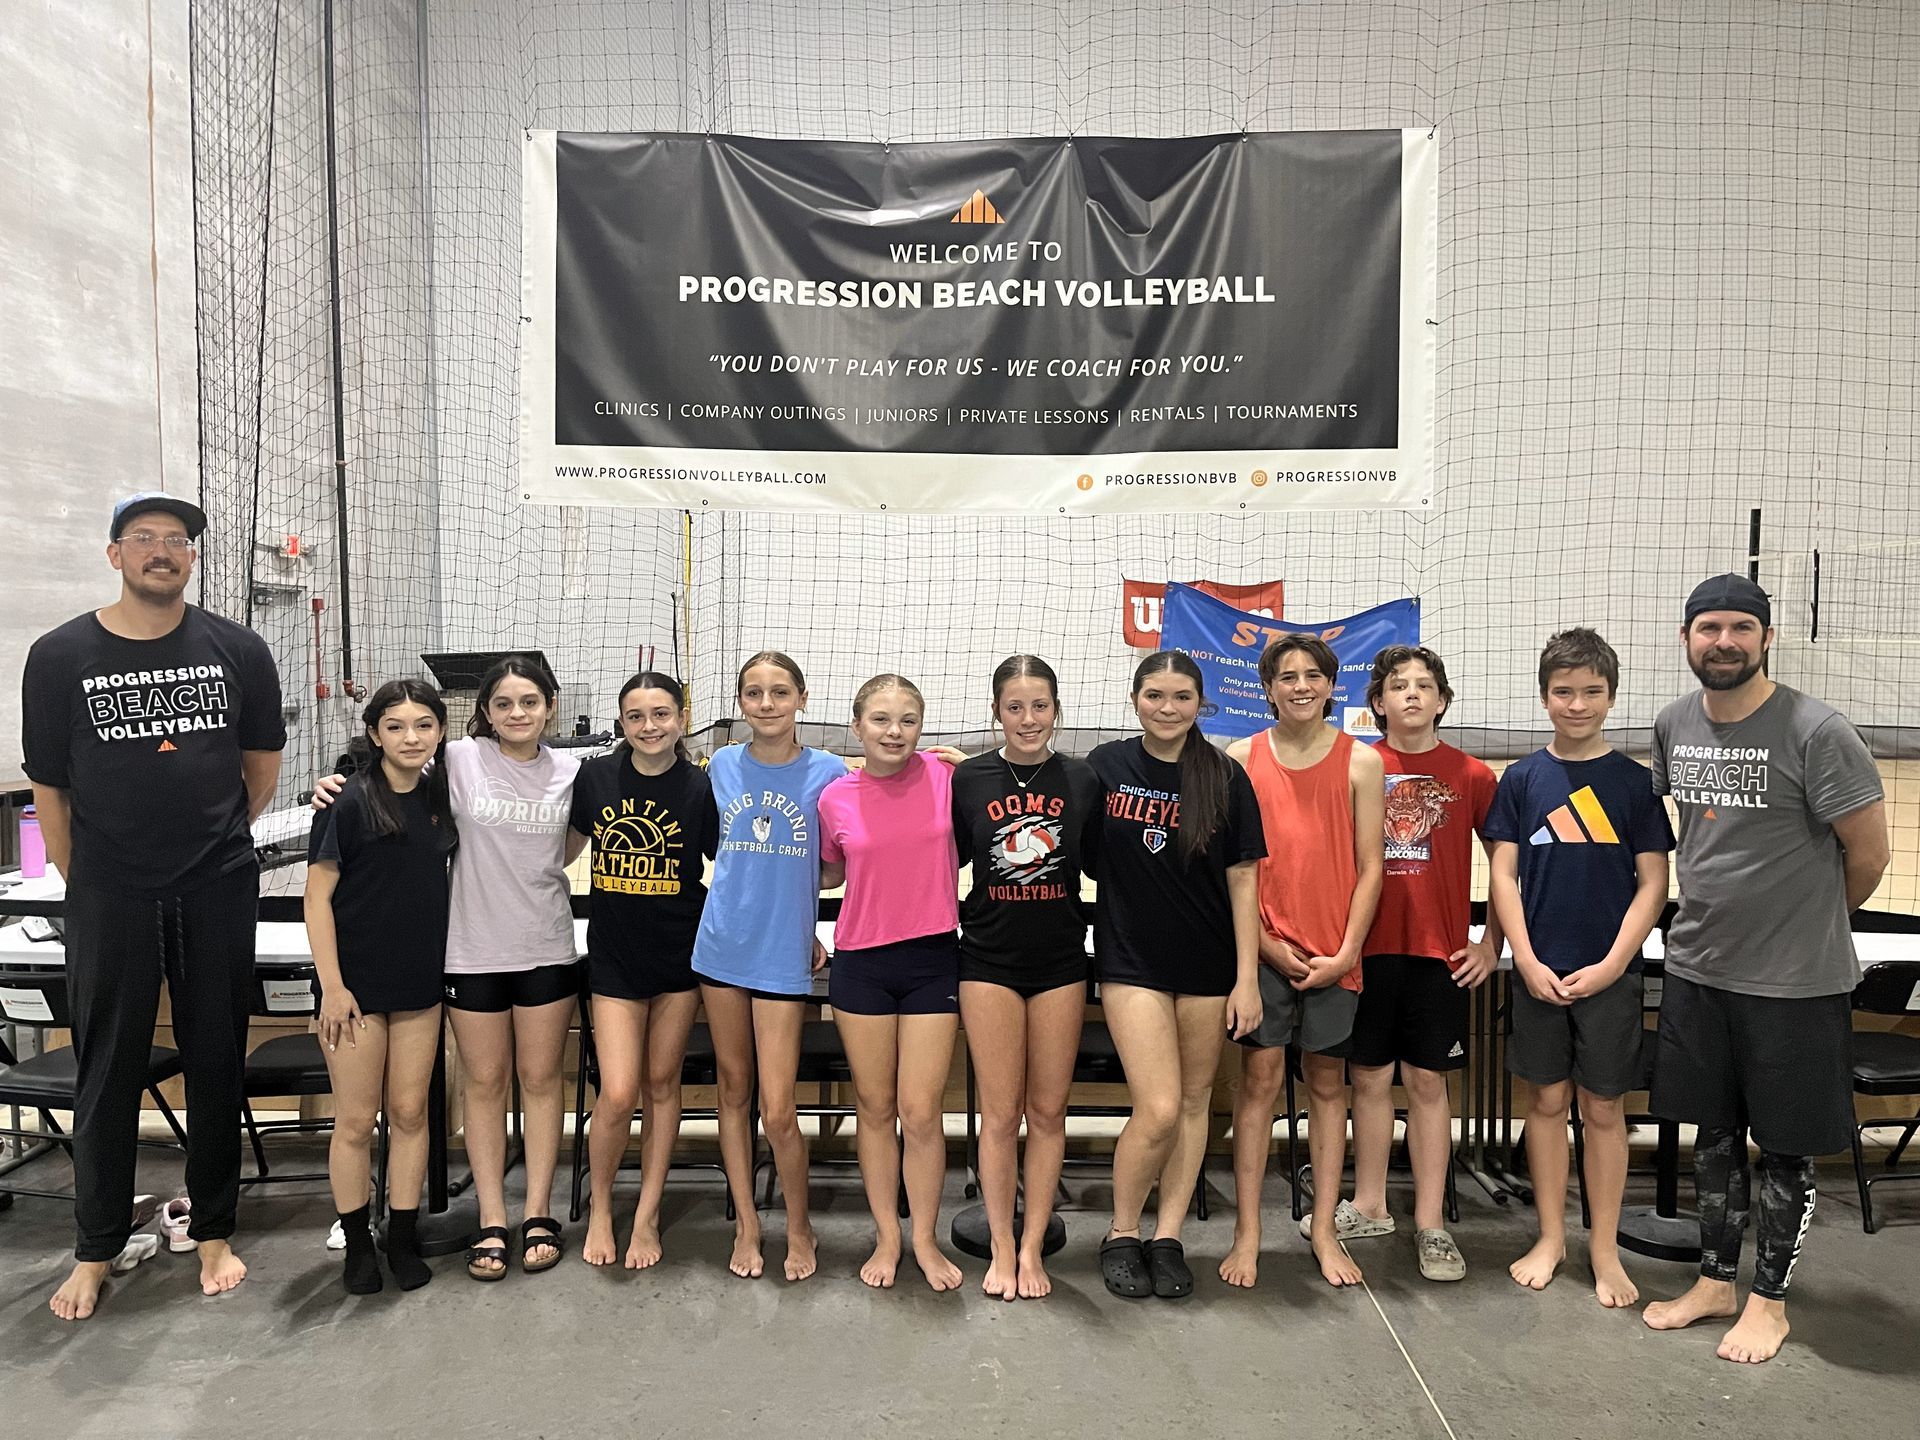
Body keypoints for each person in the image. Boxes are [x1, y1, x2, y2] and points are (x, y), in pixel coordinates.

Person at [22, 493, 285, 1321]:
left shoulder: (238, 648)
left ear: (192, 559)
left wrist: (207, 845)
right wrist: (92, 877)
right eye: (145, 539)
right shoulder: (60, 654)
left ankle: (212, 1229)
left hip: (216, 884)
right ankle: (96, 1248)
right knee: (109, 1066)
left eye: (178, 540)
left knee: (217, 1056)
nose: (162, 551)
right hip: (110, 891)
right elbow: (51, 790)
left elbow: (260, 767)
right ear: (115, 555)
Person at [1642, 575, 1888, 1364]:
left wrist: (1802, 929)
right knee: (1715, 1136)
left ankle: (1770, 1300)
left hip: (1794, 984)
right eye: (1708, 627)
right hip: (1699, 970)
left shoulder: (1819, 730)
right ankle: (1716, 1282)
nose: (1724, 641)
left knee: (1784, 1148)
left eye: (1740, 628)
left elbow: (1870, 855)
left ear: (1767, 638)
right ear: (1686, 639)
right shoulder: (1673, 724)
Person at [317, 653, 585, 1280]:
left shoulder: (573, 771)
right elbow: (392, 767)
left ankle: (538, 1211)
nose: (517, 713)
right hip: (470, 952)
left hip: (544, 946)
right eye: (503, 704)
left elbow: (573, 840)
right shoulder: (458, 761)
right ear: (483, 714)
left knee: (541, 1082)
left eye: (530, 702)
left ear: (549, 707)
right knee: (484, 1085)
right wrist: (338, 783)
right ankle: (493, 1219)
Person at [1484, 629, 1672, 1308]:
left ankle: (1603, 1248)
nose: (1577, 703)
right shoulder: (1522, 779)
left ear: (1611, 697)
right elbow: (1502, 874)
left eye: (1591, 691)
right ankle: (1552, 1237)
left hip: (1609, 977)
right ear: (1544, 697)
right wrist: (1524, 958)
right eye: (1564, 691)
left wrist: (1614, 963)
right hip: (1539, 972)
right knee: (1546, 1101)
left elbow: (1654, 883)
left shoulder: (1634, 783)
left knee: (1602, 1106)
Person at [1090, 650, 1264, 1301]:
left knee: (1194, 1105)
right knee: (1158, 1106)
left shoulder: (1223, 774)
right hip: (1131, 960)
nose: (1167, 708)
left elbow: (1244, 878)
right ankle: (1121, 1232)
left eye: (1181, 697)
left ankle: (1167, 1237)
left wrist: (1246, 977)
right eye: (1155, 695)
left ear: (1201, 703)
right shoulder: (1107, 765)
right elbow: (1049, 808)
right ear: (1136, 698)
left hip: (1207, 963)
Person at [1220, 635, 1384, 1290]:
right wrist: (1264, 947)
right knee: (1258, 1085)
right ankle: (1248, 1233)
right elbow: (1233, 870)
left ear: (1330, 685)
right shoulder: (1240, 759)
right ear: (1266, 689)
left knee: (1327, 1087)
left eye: (1311, 675)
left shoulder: (1361, 763)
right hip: (1264, 952)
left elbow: (1373, 868)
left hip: (1335, 954)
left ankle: (1322, 1229)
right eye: (1285, 676)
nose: (1299, 686)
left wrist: (1345, 951)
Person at [1343, 644, 1501, 1283]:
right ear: (1377, 703)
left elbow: (1509, 865)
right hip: (1368, 951)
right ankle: (1369, 1203)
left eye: (1424, 685)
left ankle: (1432, 1224)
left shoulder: (1469, 775)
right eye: (1398, 686)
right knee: (1370, 1081)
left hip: (1440, 956)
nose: (1411, 694)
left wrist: (1492, 943)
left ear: (1442, 699)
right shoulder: (1356, 766)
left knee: (1430, 1085)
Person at [693, 651, 846, 1281]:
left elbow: (838, 860)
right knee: (734, 1092)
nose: (766, 703)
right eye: (753, 692)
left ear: (801, 699)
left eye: (779, 691)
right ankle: (750, 1227)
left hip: (783, 952)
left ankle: (800, 1225)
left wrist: (804, 914)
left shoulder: (829, 771)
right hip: (722, 945)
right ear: (740, 702)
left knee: (778, 1108)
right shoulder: (721, 766)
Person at [952, 655, 1100, 1300]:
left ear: (1056, 709)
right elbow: (933, 851)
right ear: (996, 712)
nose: (1028, 718)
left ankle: (1034, 1244)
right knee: (999, 1113)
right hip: (987, 960)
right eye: (1015, 706)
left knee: (1046, 1112)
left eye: (1040, 705)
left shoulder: (1083, 779)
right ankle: (1003, 1246)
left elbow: (1105, 862)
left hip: (1061, 962)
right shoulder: (969, 779)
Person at [304, 680, 457, 1295]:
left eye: (424, 724)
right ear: (374, 735)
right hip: (355, 989)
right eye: (396, 726)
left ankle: (401, 1234)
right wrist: (333, 987)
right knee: (355, 1120)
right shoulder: (346, 802)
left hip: (419, 981)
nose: (411, 737)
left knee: (411, 1112)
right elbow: (317, 902)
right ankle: (357, 1245)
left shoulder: (442, 795)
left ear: (440, 732)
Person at [817, 675, 965, 1292]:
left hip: (933, 958)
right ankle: (887, 1237)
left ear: (922, 727)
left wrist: (968, 761)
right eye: (880, 720)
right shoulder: (835, 798)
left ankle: (925, 1238)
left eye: (907, 720)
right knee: (875, 1110)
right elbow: (825, 873)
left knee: (921, 1110)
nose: (894, 732)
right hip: (862, 964)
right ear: (857, 726)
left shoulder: (949, 779)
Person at [569, 672, 717, 1270]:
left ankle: (649, 1213)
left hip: (680, 954)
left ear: (680, 717)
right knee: (620, 1091)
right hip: (614, 957)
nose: (649, 726)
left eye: (661, 714)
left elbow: (733, 864)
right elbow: (559, 847)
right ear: (621, 723)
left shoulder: (700, 788)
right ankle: (602, 1208)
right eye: (636, 716)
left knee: (662, 1086)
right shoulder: (596, 777)